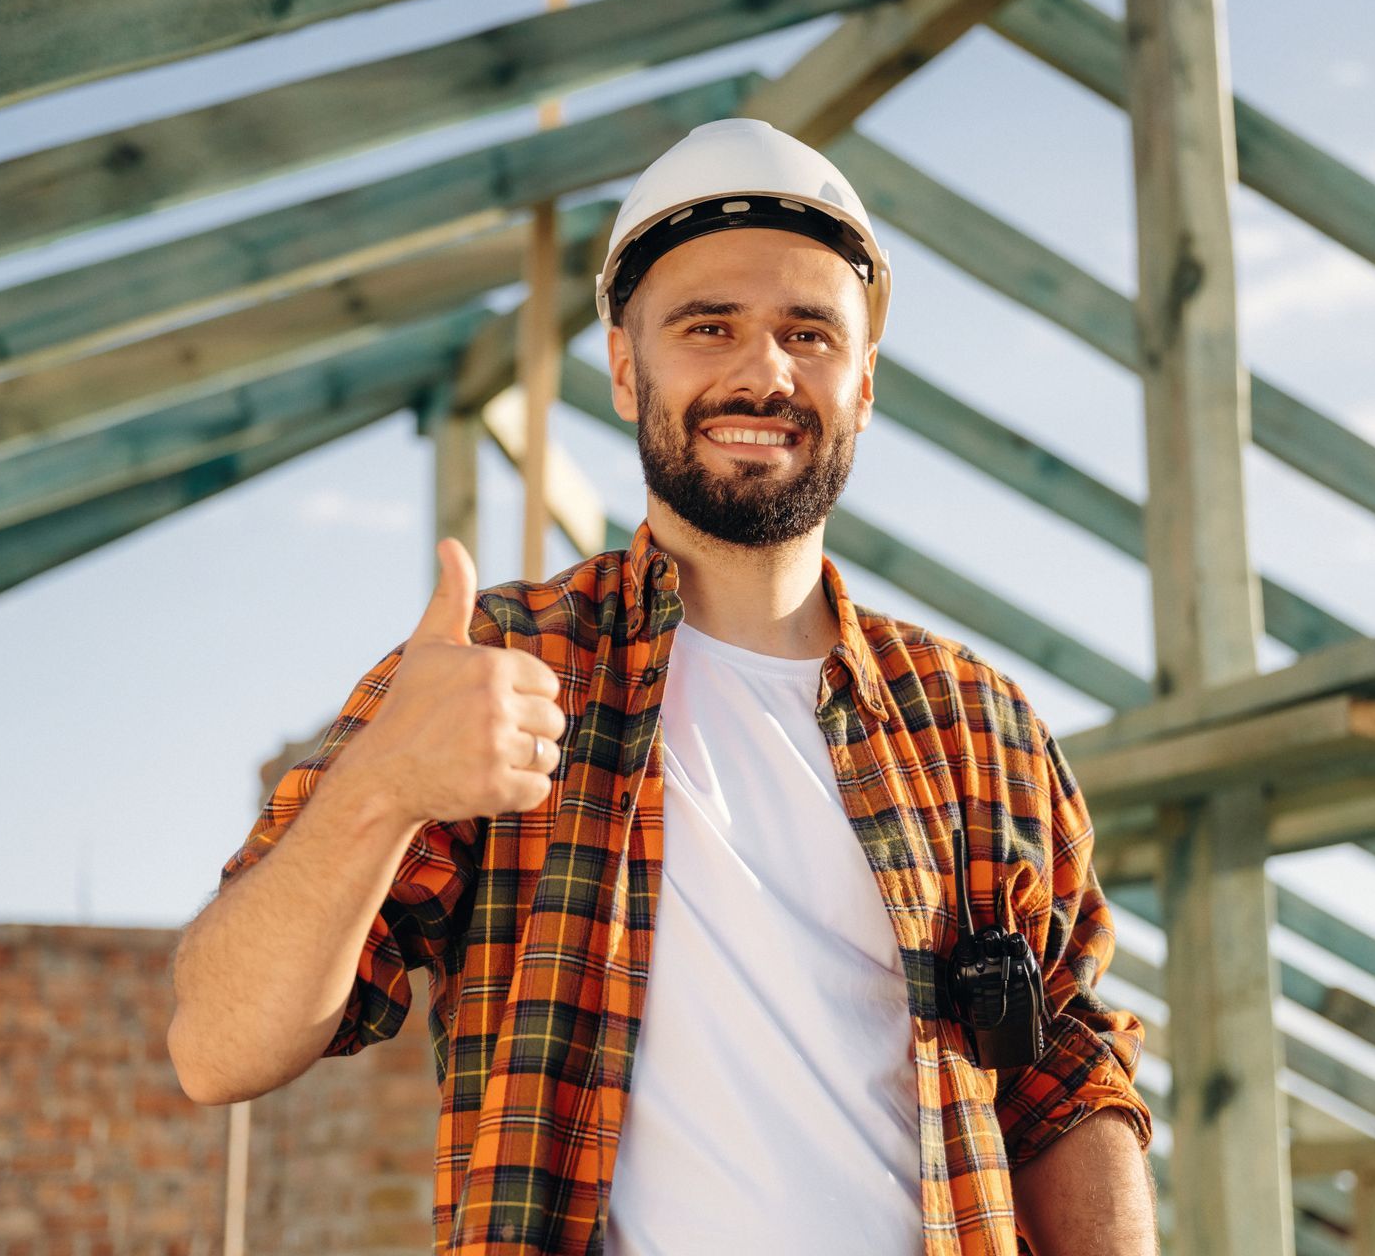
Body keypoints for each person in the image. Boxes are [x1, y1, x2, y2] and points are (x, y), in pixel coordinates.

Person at [168, 118, 1156, 1255]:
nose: (765, 371)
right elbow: (218, 1043)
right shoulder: (509, 664)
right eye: (709, 325)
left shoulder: (980, 726)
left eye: (809, 332)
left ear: (865, 381)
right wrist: (382, 786)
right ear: (628, 362)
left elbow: (1067, 1085)